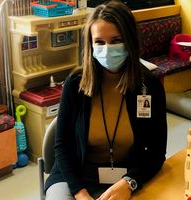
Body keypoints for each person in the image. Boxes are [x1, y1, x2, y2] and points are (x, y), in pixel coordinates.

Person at [45, 1, 167, 200]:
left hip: (126, 178)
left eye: (116, 40)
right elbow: (62, 147)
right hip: (74, 177)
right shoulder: (74, 85)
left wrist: (130, 182)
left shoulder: (150, 87)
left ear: (130, 41)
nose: (107, 48)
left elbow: (156, 152)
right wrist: (79, 192)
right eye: (99, 42)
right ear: (90, 45)